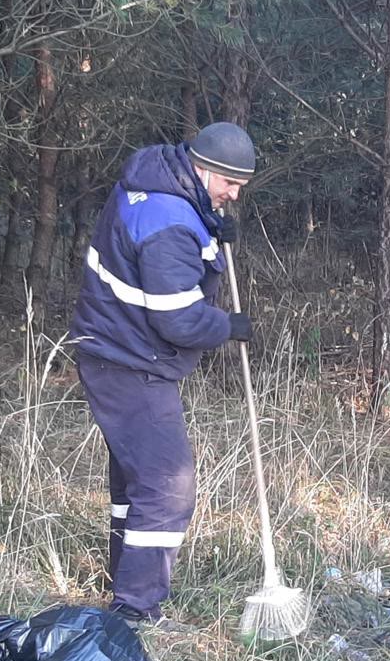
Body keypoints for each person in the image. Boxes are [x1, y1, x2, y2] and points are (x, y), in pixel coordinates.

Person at [70, 121, 257, 624]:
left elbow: (161, 255)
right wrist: (227, 326)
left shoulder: (155, 188)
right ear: (202, 167)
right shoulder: (170, 221)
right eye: (229, 184)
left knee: (136, 482)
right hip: (132, 362)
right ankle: (137, 609)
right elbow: (177, 317)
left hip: (113, 349)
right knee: (167, 487)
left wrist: (212, 232)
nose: (234, 195)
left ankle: (124, 580)